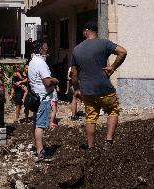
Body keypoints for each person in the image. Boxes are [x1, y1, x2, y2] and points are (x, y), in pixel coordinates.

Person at [70, 21, 127, 149]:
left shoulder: (76, 49)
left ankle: (90, 147)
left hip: (87, 90)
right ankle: (108, 141)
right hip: (104, 87)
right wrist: (113, 67)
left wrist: (77, 89)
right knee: (113, 110)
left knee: (90, 117)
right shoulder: (104, 43)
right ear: (96, 32)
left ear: (86, 31)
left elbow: (73, 73)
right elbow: (123, 52)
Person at [28, 39, 59, 161]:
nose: (47, 50)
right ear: (40, 49)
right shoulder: (41, 63)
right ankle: (40, 151)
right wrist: (55, 80)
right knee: (40, 125)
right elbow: (47, 82)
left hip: (36, 96)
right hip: (43, 98)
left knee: (36, 123)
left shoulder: (32, 62)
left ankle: (36, 145)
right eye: (46, 48)